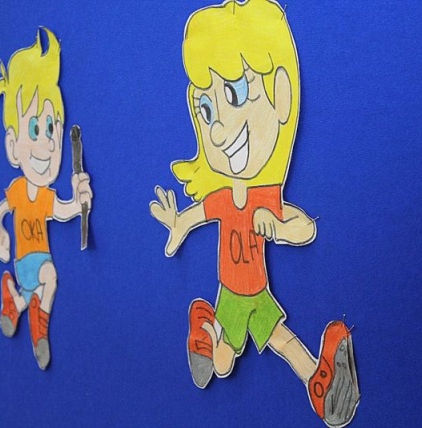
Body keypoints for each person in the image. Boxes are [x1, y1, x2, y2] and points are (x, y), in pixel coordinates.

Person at [150, 1, 359, 426]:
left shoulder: (266, 197)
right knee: (224, 363)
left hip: (257, 293)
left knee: (281, 341)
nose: (218, 130)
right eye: (207, 110)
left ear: (280, 96)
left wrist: (278, 228)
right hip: (229, 294)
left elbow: (305, 228)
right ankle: (206, 328)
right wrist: (178, 224)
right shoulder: (226, 197)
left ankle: (319, 385)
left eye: (234, 94)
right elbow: (199, 213)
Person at [0, 28, 92, 370]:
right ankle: (38, 324)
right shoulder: (20, 191)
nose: (47, 144)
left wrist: (79, 200)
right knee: (48, 279)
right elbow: (3, 209)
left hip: (32, 264)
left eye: (51, 130)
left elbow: (63, 211)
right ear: (12, 146)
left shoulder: (46, 196)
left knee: (34, 290)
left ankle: (16, 304)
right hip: (27, 260)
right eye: (35, 130)